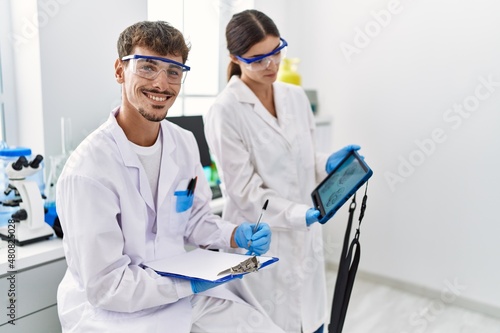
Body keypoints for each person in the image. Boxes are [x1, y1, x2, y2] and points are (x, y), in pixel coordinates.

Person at [56, 20, 285, 333]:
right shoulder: (88, 169)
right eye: (148, 67)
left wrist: (235, 234)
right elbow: (107, 287)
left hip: (180, 298)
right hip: (114, 315)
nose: (162, 84)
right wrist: (186, 283)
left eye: (173, 72)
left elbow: (193, 219)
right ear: (120, 71)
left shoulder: (183, 143)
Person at [204, 9, 361, 333]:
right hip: (264, 243)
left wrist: (327, 163)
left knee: (311, 321)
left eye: (276, 51)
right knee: (272, 324)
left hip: (305, 238)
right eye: (257, 59)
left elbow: (302, 159)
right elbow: (244, 191)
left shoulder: (295, 96)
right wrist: (297, 214)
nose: (271, 65)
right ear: (235, 57)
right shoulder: (225, 110)